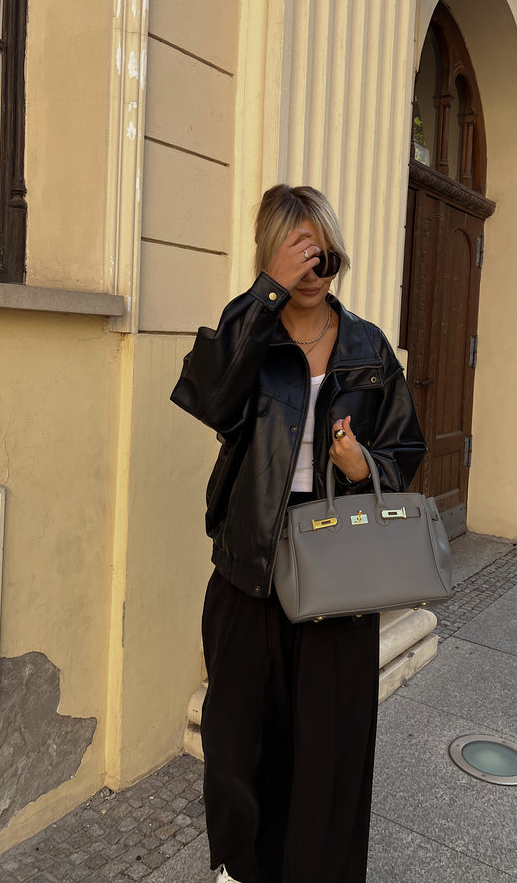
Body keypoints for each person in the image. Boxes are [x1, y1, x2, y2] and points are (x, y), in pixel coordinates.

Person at [171, 184, 427, 883]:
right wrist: (266, 294)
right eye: (297, 252)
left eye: (323, 252)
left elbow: (404, 450)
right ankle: (241, 868)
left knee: (329, 745)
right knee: (238, 736)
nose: (313, 267)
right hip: (250, 560)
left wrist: (364, 465)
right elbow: (209, 398)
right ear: (272, 254)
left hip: (339, 565)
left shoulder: (369, 346)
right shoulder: (249, 330)